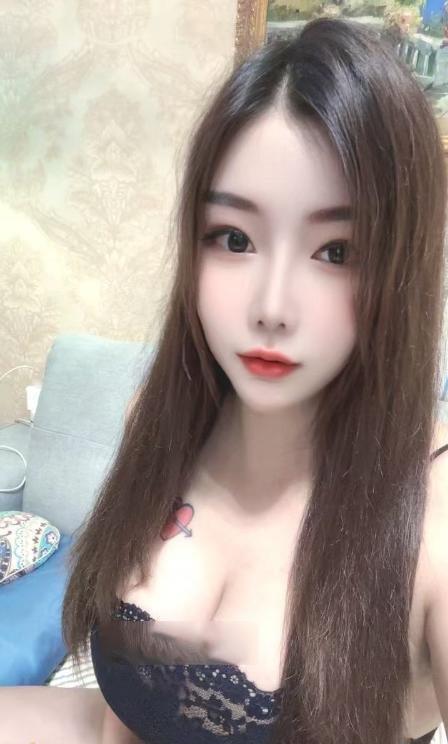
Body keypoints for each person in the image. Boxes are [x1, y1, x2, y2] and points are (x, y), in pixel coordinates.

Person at [1, 15, 447, 744]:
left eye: (337, 252)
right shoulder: (161, 423)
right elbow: (125, 718)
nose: (271, 307)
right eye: (234, 239)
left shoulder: (432, 512)